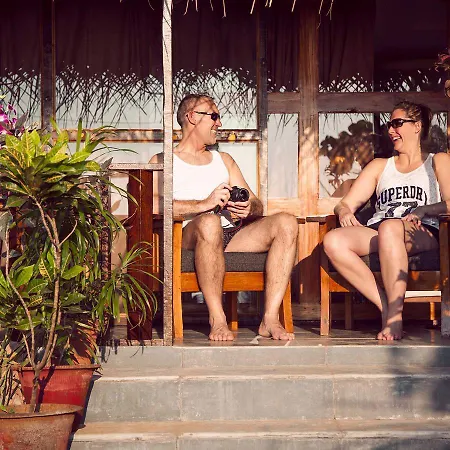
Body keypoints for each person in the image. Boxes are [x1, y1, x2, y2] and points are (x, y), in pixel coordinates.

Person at [150, 93, 298, 341]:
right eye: (214, 116)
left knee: (286, 222)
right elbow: (153, 204)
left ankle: (270, 318)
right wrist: (204, 204)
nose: (219, 123)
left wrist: (249, 208)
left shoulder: (224, 160)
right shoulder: (163, 161)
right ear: (192, 117)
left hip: (233, 234)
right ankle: (218, 319)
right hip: (188, 235)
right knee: (210, 221)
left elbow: (257, 203)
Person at [323, 101, 450, 340]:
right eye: (389, 125)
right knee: (333, 241)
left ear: (417, 126)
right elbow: (345, 203)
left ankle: (394, 318)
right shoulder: (380, 166)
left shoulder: (437, 160)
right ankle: (386, 306)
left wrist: (425, 209)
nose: (391, 130)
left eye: (397, 123)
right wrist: (344, 212)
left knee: (390, 228)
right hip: (382, 228)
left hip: (422, 230)